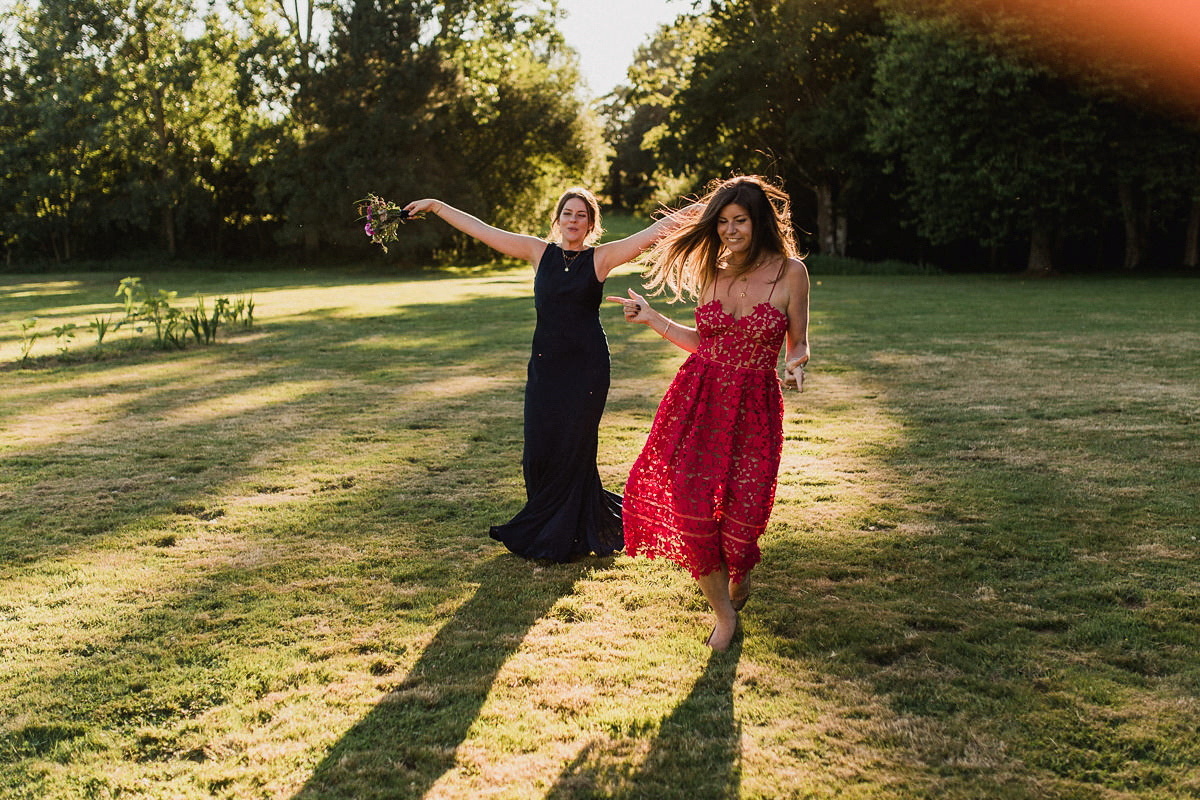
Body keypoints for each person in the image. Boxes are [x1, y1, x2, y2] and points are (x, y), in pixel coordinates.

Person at [402, 189, 683, 562]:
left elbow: (651, 234)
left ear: (591, 224)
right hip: (545, 366)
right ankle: (549, 521)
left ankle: (565, 533)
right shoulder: (538, 252)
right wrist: (438, 206)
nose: (573, 220)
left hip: (586, 369)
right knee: (538, 446)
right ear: (557, 219)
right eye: (567, 213)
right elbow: (482, 230)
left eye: (581, 215)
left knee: (574, 448)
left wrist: (700, 209)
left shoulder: (599, 259)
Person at [606, 175, 810, 652]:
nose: (730, 230)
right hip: (696, 399)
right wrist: (653, 317)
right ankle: (723, 615)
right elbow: (704, 343)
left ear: (759, 222)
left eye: (739, 221)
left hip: (755, 407)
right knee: (692, 505)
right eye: (722, 222)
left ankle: (741, 567)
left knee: (742, 526)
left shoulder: (790, 273)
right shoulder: (712, 273)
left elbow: (797, 339)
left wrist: (797, 363)